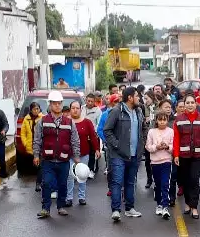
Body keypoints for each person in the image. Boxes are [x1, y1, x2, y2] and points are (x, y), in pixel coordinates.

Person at [33, 90, 81, 218]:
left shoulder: (69, 122)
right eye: (54, 103)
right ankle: (45, 208)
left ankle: (60, 207)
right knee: (47, 183)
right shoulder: (42, 121)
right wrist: (36, 155)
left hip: (64, 160)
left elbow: (75, 140)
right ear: (50, 105)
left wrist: (76, 157)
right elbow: (37, 139)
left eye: (59, 103)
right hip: (48, 160)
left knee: (62, 184)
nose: (57, 106)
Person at [103, 86, 145, 221]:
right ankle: (115, 210)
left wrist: (141, 145)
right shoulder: (116, 111)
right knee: (117, 182)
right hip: (118, 155)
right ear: (130, 98)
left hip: (134, 155)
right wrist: (117, 145)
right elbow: (107, 131)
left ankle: (129, 208)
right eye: (137, 96)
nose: (139, 98)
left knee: (130, 182)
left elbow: (143, 128)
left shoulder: (139, 111)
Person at [172, 93, 200, 220]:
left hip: (198, 155)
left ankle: (194, 207)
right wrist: (176, 155)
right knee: (185, 180)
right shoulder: (179, 119)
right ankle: (188, 203)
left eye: (192, 103)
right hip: (183, 155)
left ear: (196, 104)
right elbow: (176, 138)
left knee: (194, 179)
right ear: (184, 105)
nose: (190, 105)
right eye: (187, 103)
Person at [67, 100, 99, 206]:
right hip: (69, 154)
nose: (75, 110)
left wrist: (97, 149)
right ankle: (69, 197)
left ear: (81, 109)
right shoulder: (66, 122)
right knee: (70, 176)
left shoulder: (87, 122)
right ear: (70, 109)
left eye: (77, 108)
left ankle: (81, 197)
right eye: (73, 108)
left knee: (82, 175)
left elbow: (93, 137)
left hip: (84, 153)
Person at [147, 111, 175, 219]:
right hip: (154, 162)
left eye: (164, 120)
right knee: (157, 184)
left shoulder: (171, 131)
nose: (162, 122)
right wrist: (156, 147)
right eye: (160, 120)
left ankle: (165, 206)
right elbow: (148, 146)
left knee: (165, 183)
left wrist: (167, 147)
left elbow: (173, 146)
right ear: (156, 120)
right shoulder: (151, 132)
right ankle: (158, 203)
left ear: (167, 121)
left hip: (166, 161)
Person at [17, 102, 41, 177]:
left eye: (37, 109)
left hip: (40, 145)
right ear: (31, 110)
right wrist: (25, 143)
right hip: (30, 146)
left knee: (41, 166)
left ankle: (39, 182)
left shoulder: (43, 118)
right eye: (34, 109)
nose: (36, 111)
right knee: (32, 165)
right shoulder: (26, 119)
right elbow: (23, 133)